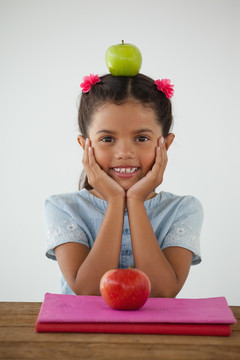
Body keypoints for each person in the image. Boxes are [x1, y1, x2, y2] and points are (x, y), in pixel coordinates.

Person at [44, 73, 203, 297]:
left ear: (165, 145)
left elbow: (162, 293)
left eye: (141, 138)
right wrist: (116, 200)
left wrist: (136, 200)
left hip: (155, 333)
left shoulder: (184, 209)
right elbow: (88, 291)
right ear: (85, 145)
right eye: (107, 139)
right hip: (82, 333)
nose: (124, 153)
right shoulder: (62, 207)